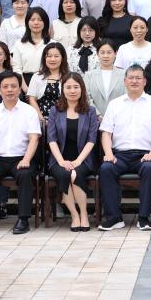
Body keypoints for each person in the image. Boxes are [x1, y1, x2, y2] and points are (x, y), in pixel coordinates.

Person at [98, 66, 151, 231]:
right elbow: (106, 133)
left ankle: (143, 217)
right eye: (131, 78)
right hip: (119, 155)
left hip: (144, 155)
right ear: (125, 81)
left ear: (144, 81)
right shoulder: (115, 104)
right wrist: (109, 153)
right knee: (106, 168)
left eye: (138, 78)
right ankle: (114, 218)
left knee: (149, 169)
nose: (134, 81)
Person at [0, 72, 41, 236]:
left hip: (22, 157)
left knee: (25, 174)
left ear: (20, 89)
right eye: (5, 87)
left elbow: (34, 139)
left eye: (13, 86)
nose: (10, 90)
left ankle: (23, 219)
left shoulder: (29, 111)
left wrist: (26, 159)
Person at [46, 72, 99, 232]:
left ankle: (84, 214)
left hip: (83, 158)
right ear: (63, 89)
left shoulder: (90, 111)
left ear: (82, 89)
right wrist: (61, 161)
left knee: (74, 174)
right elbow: (51, 139)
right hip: (59, 159)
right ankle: (75, 215)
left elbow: (91, 140)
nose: (72, 91)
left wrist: (78, 161)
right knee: (65, 174)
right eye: (68, 87)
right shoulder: (55, 111)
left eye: (76, 87)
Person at [26, 42, 68, 121]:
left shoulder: (68, 77)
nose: (52, 59)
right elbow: (32, 99)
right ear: (44, 58)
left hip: (64, 119)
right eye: (49, 56)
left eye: (56, 56)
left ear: (62, 58)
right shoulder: (37, 76)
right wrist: (41, 118)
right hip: (41, 119)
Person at [11, 8, 51, 85]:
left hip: (46, 81)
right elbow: (17, 69)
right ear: (27, 23)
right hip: (24, 82)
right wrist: (25, 89)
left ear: (45, 23)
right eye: (32, 20)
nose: (36, 23)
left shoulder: (52, 44)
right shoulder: (19, 44)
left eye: (40, 20)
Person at [84, 40, 125, 115]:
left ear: (115, 53)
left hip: (119, 116)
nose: (106, 56)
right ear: (97, 54)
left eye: (109, 52)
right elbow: (87, 98)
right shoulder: (89, 75)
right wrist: (98, 115)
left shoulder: (124, 75)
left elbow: (126, 97)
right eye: (102, 52)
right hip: (95, 118)